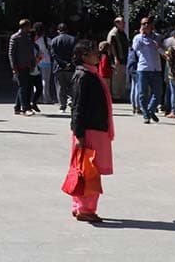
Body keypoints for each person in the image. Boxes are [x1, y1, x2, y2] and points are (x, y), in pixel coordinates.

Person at [69, 40, 114, 223]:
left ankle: (79, 206)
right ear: (84, 56)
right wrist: (79, 134)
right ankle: (85, 209)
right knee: (89, 171)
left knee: (84, 169)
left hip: (94, 128)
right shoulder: (84, 76)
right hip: (89, 130)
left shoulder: (90, 74)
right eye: (94, 51)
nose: (98, 54)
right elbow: (77, 107)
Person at [131, 18, 163, 123]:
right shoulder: (137, 38)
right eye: (143, 23)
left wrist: (158, 47)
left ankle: (151, 110)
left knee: (157, 93)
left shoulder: (158, 37)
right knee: (142, 93)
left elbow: (164, 52)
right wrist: (142, 35)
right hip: (143, 68)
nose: (146, 25)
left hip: (156, 68)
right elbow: (135, 48)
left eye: (148, 23)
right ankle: (146, 114)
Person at [8, 19, 38, 116]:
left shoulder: (28, 37)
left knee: (24, 86)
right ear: (25, 27)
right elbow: (11, 53)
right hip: (19, 65)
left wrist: (33, 63)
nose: (30, 28)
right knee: (23, 87)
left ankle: (17, 107)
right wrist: (13, 67)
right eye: (28, 26)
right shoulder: (15, 37)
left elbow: (31, 51)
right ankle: (25, 108)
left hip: (28, 65)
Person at [49, 23, 77, 112]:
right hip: (71, 67)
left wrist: (62, 64)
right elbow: (75, 54)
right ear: (67, 30)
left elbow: (53, 55)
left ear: (58, 30)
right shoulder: (73, 39)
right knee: (72, 85)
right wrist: (69, 63)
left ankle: (62, 105)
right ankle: (71, 100)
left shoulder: (54, 40)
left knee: (60, 87)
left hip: (58, 67)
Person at [104, 16, 129, 99]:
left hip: (124, 59)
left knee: (122, 78)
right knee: (117, 78)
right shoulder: (113, 33)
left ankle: (120, 95)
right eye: (122, 22)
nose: (124, 24)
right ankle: (115, 96)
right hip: (117, 60)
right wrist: (115, 58)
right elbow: (112, 46)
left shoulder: (122, 33)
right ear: (116, 23)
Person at [32, 21, 52, 109]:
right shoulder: (47, 39)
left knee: (35, 81)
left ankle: (36, 98)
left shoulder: (33, 40)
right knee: (45, 81)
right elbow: (51, 49)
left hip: (35, 61)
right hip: (46, 61)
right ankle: (46, 98)